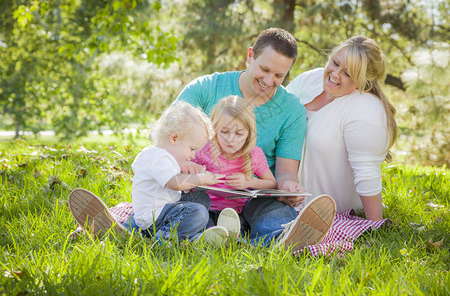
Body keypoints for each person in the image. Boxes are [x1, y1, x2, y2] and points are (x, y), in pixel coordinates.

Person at [176, 27, 336, 250]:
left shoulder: (291, 110)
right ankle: (203, 235)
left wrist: (288, 186)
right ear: (250, 56)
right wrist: (187, 167)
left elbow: (285, 170)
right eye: (264, 69)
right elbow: (170, 136)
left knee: (272, 212)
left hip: (253, 196)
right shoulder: (206, 88)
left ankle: (279, 239)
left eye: (279, 76)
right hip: (201, 189)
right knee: (189, 207)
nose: (269, 81)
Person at [68, 102, 239, 244]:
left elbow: (174, 179)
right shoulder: (155, 156)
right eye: (192, 148)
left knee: (201, 200)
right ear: (174, 138)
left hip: (164, 211)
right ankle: (161, 240)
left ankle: (204, 234)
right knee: (198, 212)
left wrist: (187, 169)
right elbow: (174, 183)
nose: (193, 155)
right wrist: (198, 178)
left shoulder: (167, 157)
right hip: (152, 218)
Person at [286, 36, 398, 221]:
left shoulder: (366, 109)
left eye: (348, 74)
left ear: (364, 81)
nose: (335, 74)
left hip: (324, 211)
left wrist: (375, 225)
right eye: (335, 63)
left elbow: (366, 173)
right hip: (281, 193)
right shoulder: (311, 79)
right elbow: (275, 114)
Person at [192, 95, 277, 237]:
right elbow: (185, 175)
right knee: (200, 219)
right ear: (214, 129)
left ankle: (226, 236)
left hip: (235, 214)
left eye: (239, 133)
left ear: (249, 133)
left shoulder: (254, 154)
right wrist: (199, 177)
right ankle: (209, 235)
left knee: (240, 226)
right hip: (205, 209)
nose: (231, 139)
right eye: (224, 132)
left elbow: (272, 184)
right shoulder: (204, 149)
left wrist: (250, 181)